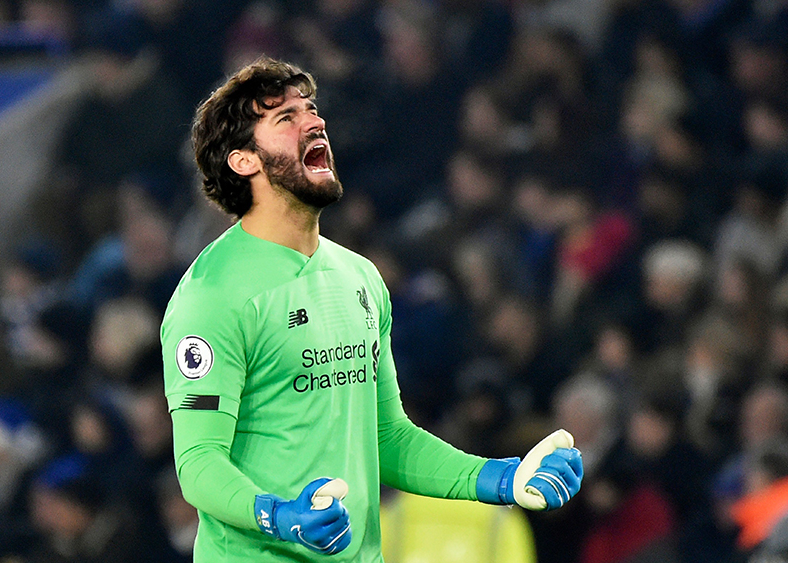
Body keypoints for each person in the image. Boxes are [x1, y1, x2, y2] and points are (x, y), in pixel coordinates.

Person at [161, 57, 585, 561]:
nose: (314, 122)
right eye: (286, 118)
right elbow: (199, 461)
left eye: (311, 110)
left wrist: (501, 477)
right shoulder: (212, 295)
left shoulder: (360, 278)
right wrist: (276, 514)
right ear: (243, 161)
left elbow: (386, 437)